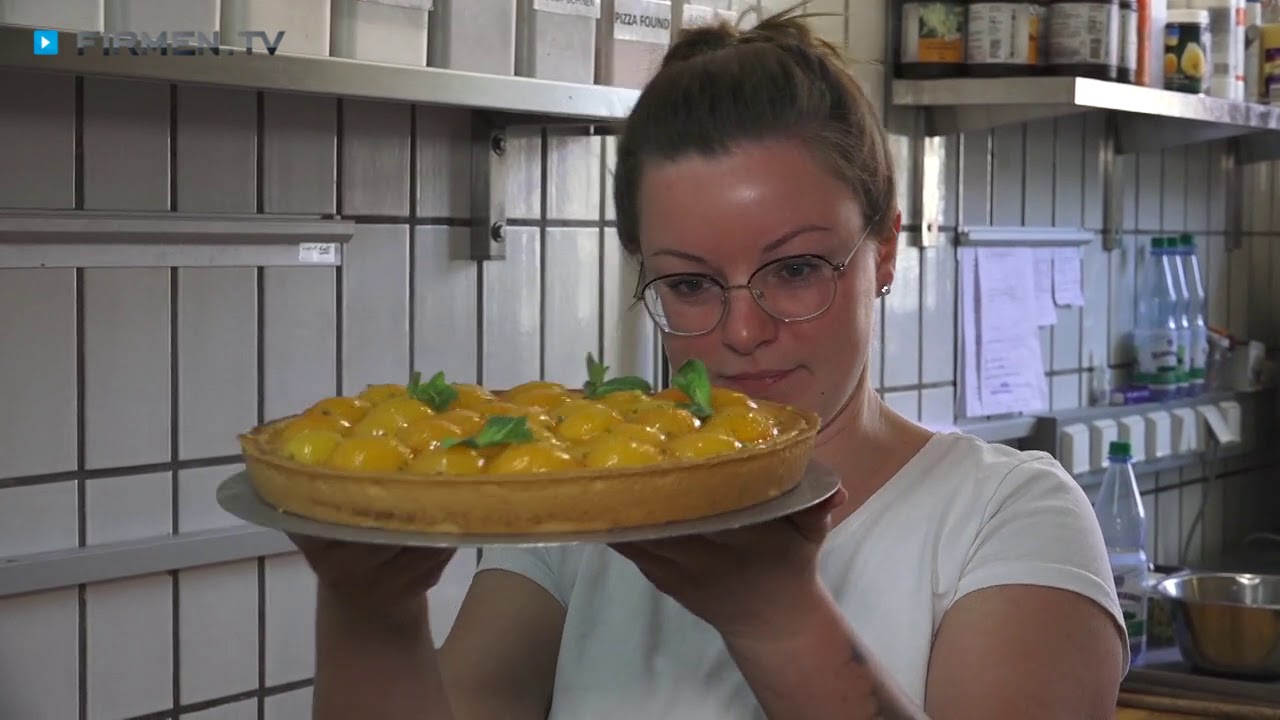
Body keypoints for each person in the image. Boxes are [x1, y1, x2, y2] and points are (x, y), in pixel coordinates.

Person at [294, 7, 1128, 719]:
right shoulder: (587, 508)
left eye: (796, 269)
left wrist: (776, 617)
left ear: (883, 250)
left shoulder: (1005, 516)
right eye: (690, 284)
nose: (741, 330)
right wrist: (371, 609)